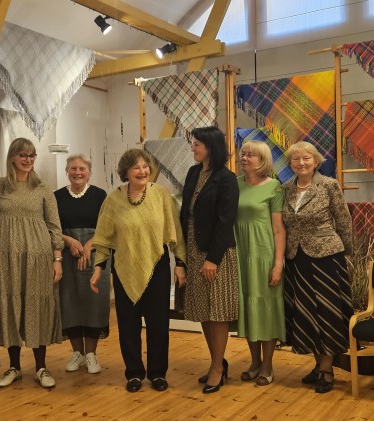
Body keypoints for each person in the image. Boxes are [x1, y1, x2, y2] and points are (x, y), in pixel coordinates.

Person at [89, 149, 186, 393]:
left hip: (158, 266)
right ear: (126, 172)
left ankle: (157, 373)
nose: (142, 171)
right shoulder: (113, 200)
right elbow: (103, 237)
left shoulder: (161, 195)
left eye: (145, 166)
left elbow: (175, 230)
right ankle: (133, 373)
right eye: (136, 167)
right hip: (124, 268)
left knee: (158, 324)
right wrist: (98, 268)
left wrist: (180, 263)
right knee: (128, 325)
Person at [0, 138, 64, 389]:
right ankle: (14, 367)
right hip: (4, 255)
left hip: (37, 256)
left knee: (36, 305)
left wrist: (57, 259)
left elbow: (54, 226)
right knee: (9, 305)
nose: (28, 160)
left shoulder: (42, 188)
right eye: (23, 155)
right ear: (12, 157)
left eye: (32, 155)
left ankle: (41, 367)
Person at [281, 141, 353, 394]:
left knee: (326, 313)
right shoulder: (286, 188)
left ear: (316, 161)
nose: (301, 163)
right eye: (296, 159)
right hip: (296, 259)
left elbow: (343, 220)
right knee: (306, 313)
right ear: (290, 163)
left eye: (306, 158)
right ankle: (317, 363)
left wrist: (347, 254)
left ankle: (326, 369)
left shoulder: (329, 185)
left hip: (327, 258)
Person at [180, 127, 239, 394]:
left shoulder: (226, 178)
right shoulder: (193, 173)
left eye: (197, 145)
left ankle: (217, 367)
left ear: (211, 147)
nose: (193, 148)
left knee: (217, 311)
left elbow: (226, 222)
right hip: (194, 248)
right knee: (203, 309)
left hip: (217, 252)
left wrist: (213, 259)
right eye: (193, 144)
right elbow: (185, 213)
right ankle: (217, 361)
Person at [233, 140, 286, 387]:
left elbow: (279, 230)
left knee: (266, 308)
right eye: (242, 154)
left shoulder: (274, 187)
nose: (244, 158)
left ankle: (268, 365)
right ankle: (254, 362)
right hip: (240, 253)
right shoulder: (235, 185)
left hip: (264, 254)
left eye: (250, 155)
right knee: (248, 307)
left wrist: (278, 264)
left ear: (262, 160)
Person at [54, 154, 109, 374]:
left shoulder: (100, 195)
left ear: (89, 172)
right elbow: (51, 227)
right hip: (66, 256)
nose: (77, 172)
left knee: (94, 302)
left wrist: (88, 245)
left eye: (82, 168)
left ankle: (91, 354)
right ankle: (77, 352)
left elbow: (107, 226)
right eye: (73, 168)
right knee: (70, 302)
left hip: (96, 255)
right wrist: (69, 241)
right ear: (67, 171)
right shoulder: (57, 196)